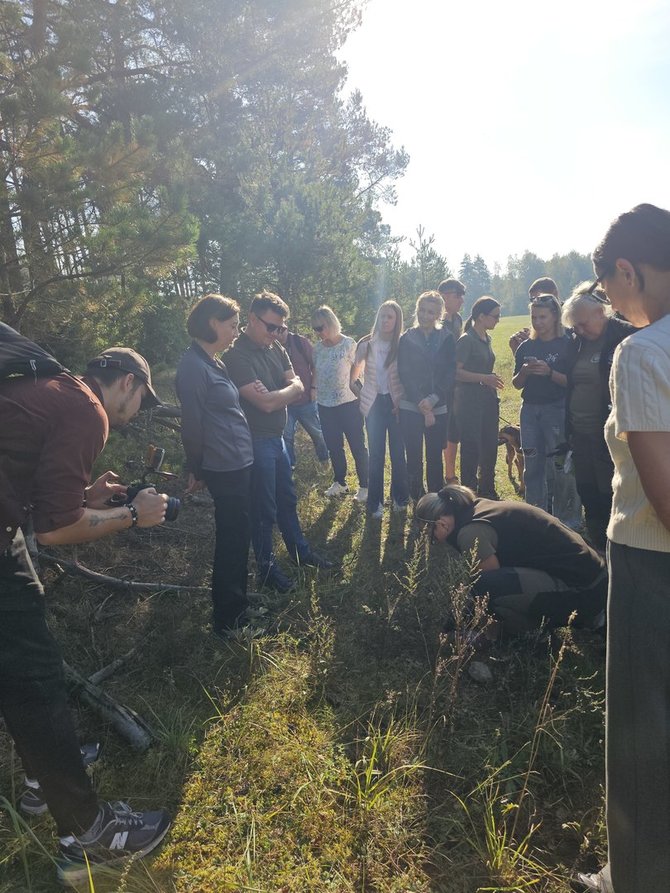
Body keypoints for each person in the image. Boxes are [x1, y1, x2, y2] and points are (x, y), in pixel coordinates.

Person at [0, 342, 170, 885]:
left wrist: (87, 496)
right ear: (127, 383)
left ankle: (39, 780)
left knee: (20, 670)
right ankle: (88, 833)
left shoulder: (45, 392)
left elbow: (43, 498)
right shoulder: (85, 408)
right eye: (140, 400)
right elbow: (55, 532)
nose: (135, 413)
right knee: (35, 674)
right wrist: (130, 515)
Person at [577, 204, 670, 893]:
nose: (610, 304)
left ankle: (633, 878)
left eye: (609, 289)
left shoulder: (641, 353)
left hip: (647, 563)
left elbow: (664, 501)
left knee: (641, 735)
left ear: (629, 271)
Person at [224, 291, 333, 593]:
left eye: (279, 328)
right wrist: (283, 392)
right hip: (256, 441)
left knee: (287, 499)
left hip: (277, 440)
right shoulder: (235, 356)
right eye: (270, 327)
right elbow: (268, 404)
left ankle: (300, 552)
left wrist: (279, 392)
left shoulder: (275, 347)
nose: (275, 334)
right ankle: (267, 568)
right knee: (263, 508)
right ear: (251, 319)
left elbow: (296, 384)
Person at [415, 484, 607, 636]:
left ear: (442, 522)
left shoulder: (469, 533)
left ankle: (534, 636)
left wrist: (452, 627)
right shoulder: (477, 508)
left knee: (488, 589)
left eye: (430, 533)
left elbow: (485, 590)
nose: (432, 540)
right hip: (595, 575)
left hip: (585, 588)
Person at [175, 294, 255, 638]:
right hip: (224, 467)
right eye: (233, 325)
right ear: (213, 323)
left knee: (240, 537)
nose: (237, 332)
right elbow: (192, 424)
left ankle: (240, 606)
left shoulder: (214, 362)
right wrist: (197, 468)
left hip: (239, 462)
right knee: (232, 541)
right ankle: (229, 621)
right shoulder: (192, 367)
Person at [561, 285, 634, 550]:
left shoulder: (625, 338)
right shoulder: (576, 343)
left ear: (599, 312)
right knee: (587, 490)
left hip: (611, 434)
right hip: (580, 433)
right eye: (574, 326)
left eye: (581, 324)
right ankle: (597, 547)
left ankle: (617, 546)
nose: (578, 330)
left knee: (610, 491)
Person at [512, 293, 573, 518]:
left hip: (557, 409)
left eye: (543, 317)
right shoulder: (526, 346)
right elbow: (516, 384)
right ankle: (535, 516)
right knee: (532, 465)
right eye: (534, 317)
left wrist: (549, 372)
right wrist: (525, 372)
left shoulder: (567, 344)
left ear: (555, 316)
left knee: (561, 466)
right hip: (529, 411)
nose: (538, 322)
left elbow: (572, 382)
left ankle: (567, 519)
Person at [350, 300, 409, 518]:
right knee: (376, 455)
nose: (385, 320)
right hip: (375, 405)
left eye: (390, 317)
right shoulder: (367, 344)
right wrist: (363, 395)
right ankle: (375, 504)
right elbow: (353, 378)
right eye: (382, 316)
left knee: (398, 454)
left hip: (396, 405)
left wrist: (400, 401)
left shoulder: (402, 344)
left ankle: (399, 498)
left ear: (397, 320)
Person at [397, 290, 456, 499]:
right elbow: (404, 372)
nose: (425, 315)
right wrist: (420, 401)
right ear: (416, 310)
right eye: (422, 310)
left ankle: (435, 500)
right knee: (413, 457)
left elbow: (449, 372)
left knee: (434, 456)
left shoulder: (447, 338)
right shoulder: (406, 338)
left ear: (439, 314)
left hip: (438, 405)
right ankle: (417, 500)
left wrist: (433, 399)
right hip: (410, 406)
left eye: (431, 312)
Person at [311, 305, 369, 501]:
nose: (319, 332)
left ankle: (365, 485)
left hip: (348, 403)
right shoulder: (317, 348)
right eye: (315, 329)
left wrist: (358, 389)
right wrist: (313, 389)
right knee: (334, 446)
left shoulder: (348, 344)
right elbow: (316, 372)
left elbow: (359, 368)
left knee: (357, 445)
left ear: (332, 323)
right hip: (325, 404)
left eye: (322, 327)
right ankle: (340, 482)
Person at [453, 296, 503, 499]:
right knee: (471, 447)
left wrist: (489, 381)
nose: (498, 320)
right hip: (469, 402)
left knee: (490, 444)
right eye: (495, 316)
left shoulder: (487, 339)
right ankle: (469, 492)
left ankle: (488, 489)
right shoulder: (466, 340)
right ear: (481, 317)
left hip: (488, 401)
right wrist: (485, 378)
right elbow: (456, 373)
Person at [275, 325, 329, 469]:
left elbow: (315, 365)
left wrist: (313, 388)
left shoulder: (300, 342)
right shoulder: (271, 346)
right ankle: (290, 466)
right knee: (287, 437)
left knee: (318, 434)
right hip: (285, 403)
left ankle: (325, 461)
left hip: (306, 400)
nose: (277, 335)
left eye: (279, 331)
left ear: (284, 329)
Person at [437, 278, 466, 485]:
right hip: (439, 385)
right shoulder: (436, 323)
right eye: (458, 295)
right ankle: (441, 474)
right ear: (445, 296)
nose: (462, 300)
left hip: (457, 384)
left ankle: (450, 474)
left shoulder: (458, 319)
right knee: (441, 431)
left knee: (453, 429)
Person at [509, 277, 560, 354]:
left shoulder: (570, 320)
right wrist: (520, 348)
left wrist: (533, 344)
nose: (536, 303)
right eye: (532, 300)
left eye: (541, 298)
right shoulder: (538, 323)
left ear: (555, 293)